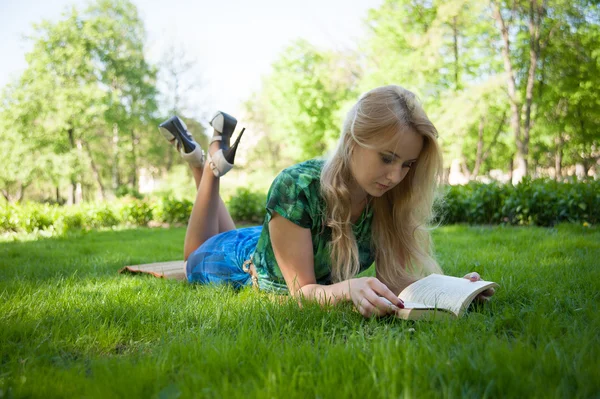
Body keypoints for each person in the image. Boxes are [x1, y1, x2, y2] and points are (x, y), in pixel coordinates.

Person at [158, 85, 494, 318]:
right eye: (387, 158)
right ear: (352, 141)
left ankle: (207, 157)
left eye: (406, 165)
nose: (395, 176)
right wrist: (347, 289)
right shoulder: (297, 187)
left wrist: (451, 291)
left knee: (234, 235)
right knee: (193, 257)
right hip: (238, 263)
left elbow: (398, 286)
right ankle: (206, 165)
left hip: (276, 243)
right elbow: (300, 294)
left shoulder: (389, 199)